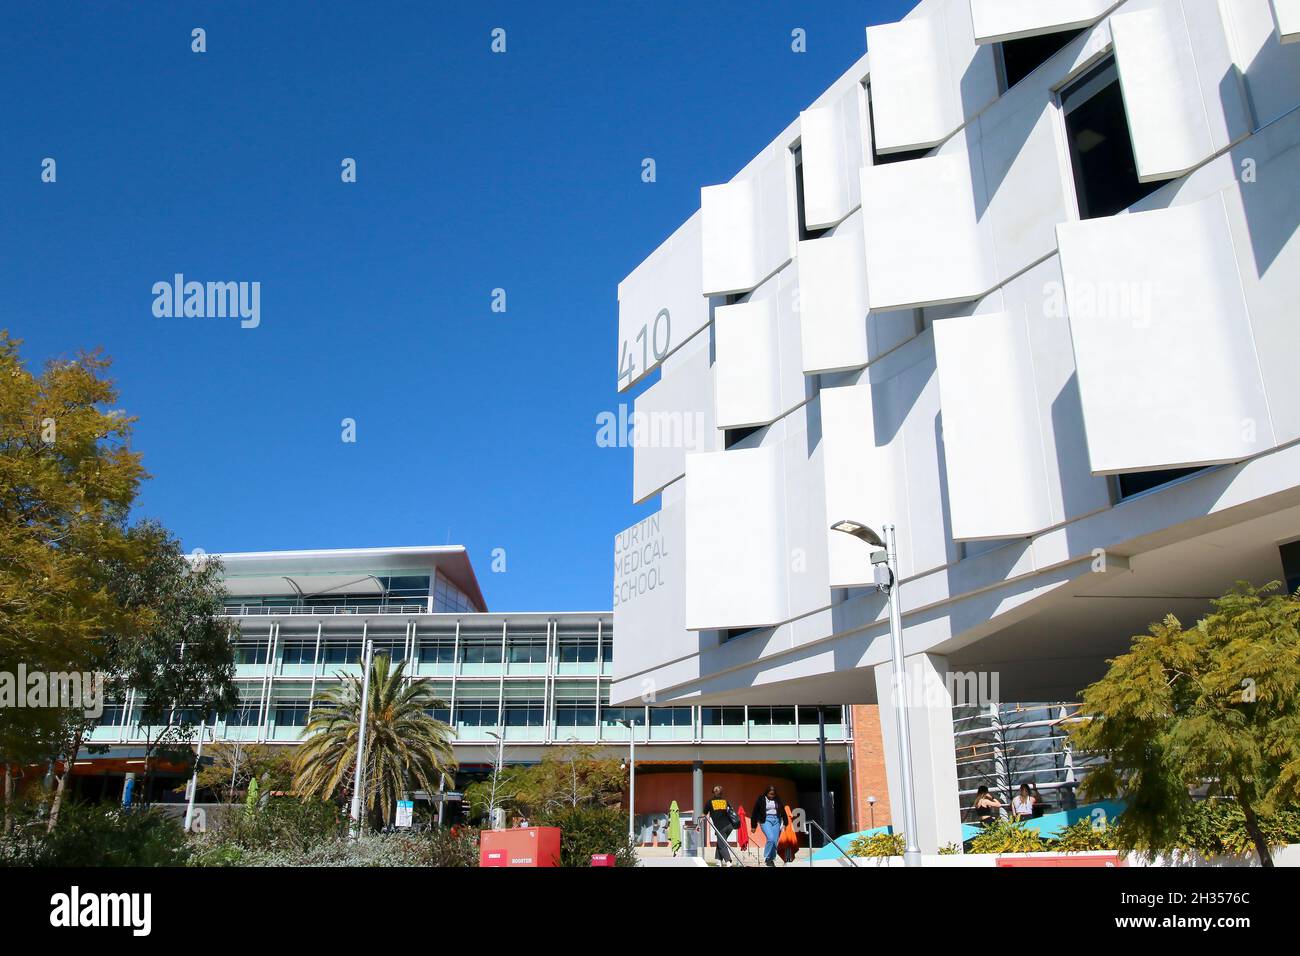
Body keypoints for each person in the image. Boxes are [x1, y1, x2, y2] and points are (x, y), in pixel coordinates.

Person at [750, 785, 785, 867]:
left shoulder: (777, 799)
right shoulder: (761, 799)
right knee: (771, 838)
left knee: (775, 841)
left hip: (776, 820)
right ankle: (767, 856)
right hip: (766, 820)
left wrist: (785, 822)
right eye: (770, 794)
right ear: (766, 793)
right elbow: (755, 812)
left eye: (773, 794)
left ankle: (770, 860)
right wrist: (753, 825)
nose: (772, 796)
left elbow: (782, 811)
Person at [705, 785, 738, 866]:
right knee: (721, 842)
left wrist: (698, 821)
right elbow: (731, 811)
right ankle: (719, 861)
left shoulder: (710, 802)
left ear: (713, 792)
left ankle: (728, 862)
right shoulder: (725, 801)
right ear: (721, 793)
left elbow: (704, 813)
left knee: (722, 844)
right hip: (729, 826)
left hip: (720, 827)